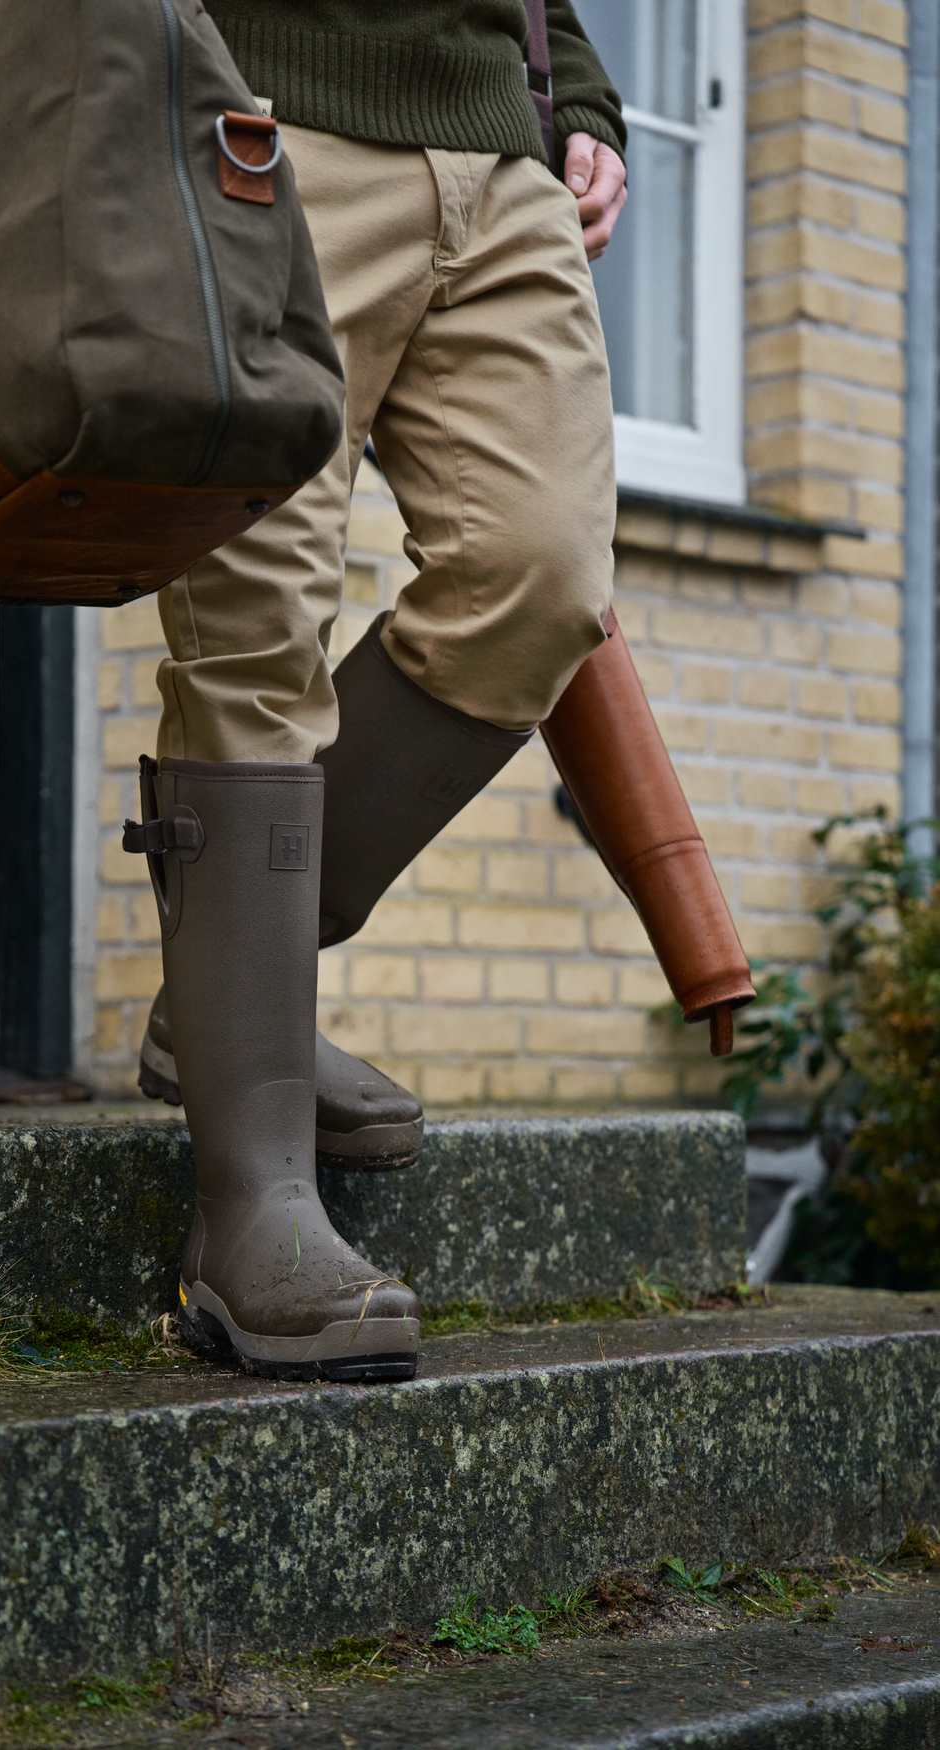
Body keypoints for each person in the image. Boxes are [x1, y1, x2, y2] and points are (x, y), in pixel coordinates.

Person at [127, 0, 627, 1383]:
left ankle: (232, 992)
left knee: (540, 580)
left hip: (493, 146)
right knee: (254, 630)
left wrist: (575, 99)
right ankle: (250, 1218)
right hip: (258, 113)